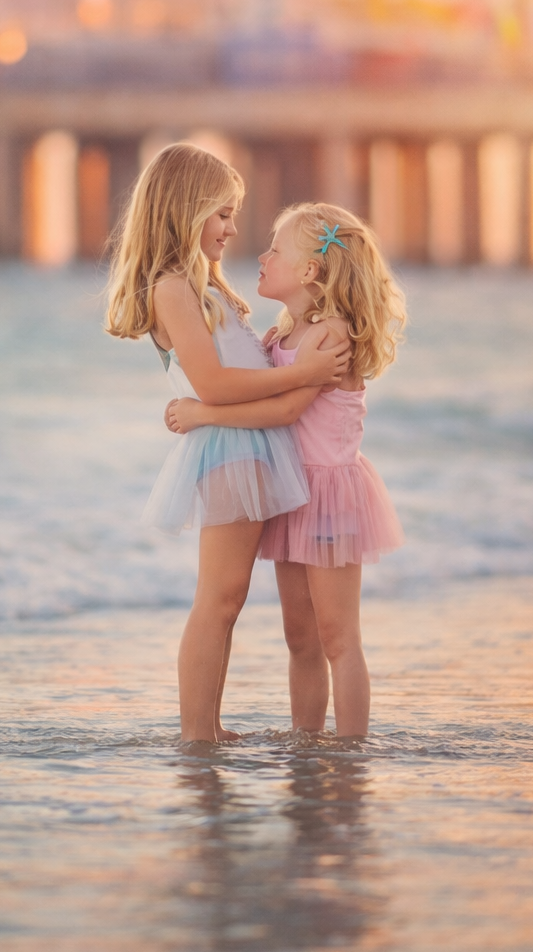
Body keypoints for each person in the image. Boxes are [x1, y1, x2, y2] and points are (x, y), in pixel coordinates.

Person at [106, 146, 351, 745]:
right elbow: (214, 384)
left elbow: (235, 375)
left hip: (249, 447)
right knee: (217, 600)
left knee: (229, 600)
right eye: (222, 213)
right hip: (228, 452)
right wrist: (304, 374)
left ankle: (209, 726)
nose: (233, 228)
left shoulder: (205, 289)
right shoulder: (170, 289)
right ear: (187, 210)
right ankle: (197, 733)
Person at [166, 202, 405, 738]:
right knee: (300, 637)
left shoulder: (330, 337)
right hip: (292, 493)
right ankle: (306, 737)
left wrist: (203, 413)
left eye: (276, 249)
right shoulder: (279, 337)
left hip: (329, 494)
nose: (262, 255)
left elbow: (288, 410)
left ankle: (350, 746)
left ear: (309, 272)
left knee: (338, 636)